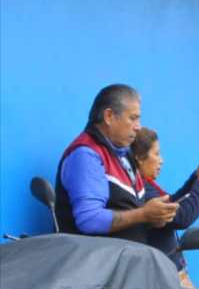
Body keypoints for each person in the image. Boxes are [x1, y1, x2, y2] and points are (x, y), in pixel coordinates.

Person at [55, 84, 178, 242]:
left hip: (129, 255)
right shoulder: (86, 154)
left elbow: (129, 212)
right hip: (97, 257)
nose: (138, 127)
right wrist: (144, 214)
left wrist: (153, 218)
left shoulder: (124, 154)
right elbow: (89, 220)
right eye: (132, 118)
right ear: (109, 116)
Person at [131, 128, 199, 289]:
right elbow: (181, 217)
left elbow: (173, 202)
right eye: (156, 154)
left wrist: (196, 178)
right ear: (139, 158)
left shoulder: (144, 185)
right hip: (162, 278)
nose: (161, 160)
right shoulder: (141, 190)